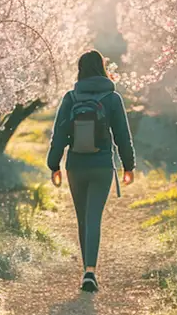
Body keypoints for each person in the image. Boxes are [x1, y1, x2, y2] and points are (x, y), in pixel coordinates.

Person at [47, 50, 135, 293]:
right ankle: (90, 271)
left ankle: (87, 269)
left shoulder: (71, 98)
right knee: (94, 217)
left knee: (82, 218)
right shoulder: (112, 98)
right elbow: (122, 137)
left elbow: (59, 135)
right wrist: (129, 165)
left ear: (80, 70)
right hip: (102, 166)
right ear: (102, 68)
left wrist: (53, 165)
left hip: (76, 165)